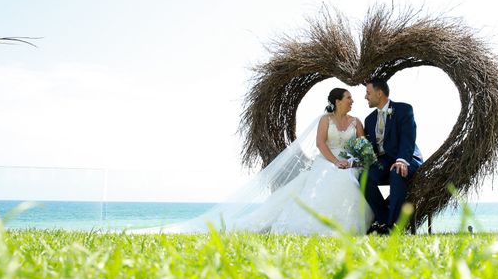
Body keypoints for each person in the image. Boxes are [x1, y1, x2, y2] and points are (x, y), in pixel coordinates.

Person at [140, 88, 374, 235]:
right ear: (336, 101)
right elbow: (322, 144)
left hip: (350, 163)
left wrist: (355, 160)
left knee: (350, 183)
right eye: (348, 98)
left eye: (352, 98)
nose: (352, 101)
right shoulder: (326, 120)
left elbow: (363, 144)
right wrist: (335, 162)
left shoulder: (356, 122)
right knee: (327, 181)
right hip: (328, 161)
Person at [363, 78, 423, 233]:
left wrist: (402, 160)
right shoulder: (369, 120)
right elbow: (370, 147)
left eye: (368, 93)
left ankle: (394, 226)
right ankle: (384, 221)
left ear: (380, 93)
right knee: (364, 177)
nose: (365, 97)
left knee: (396, 171)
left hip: (407, 158)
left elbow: (407, 138)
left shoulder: (404, 109)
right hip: (383, 161)